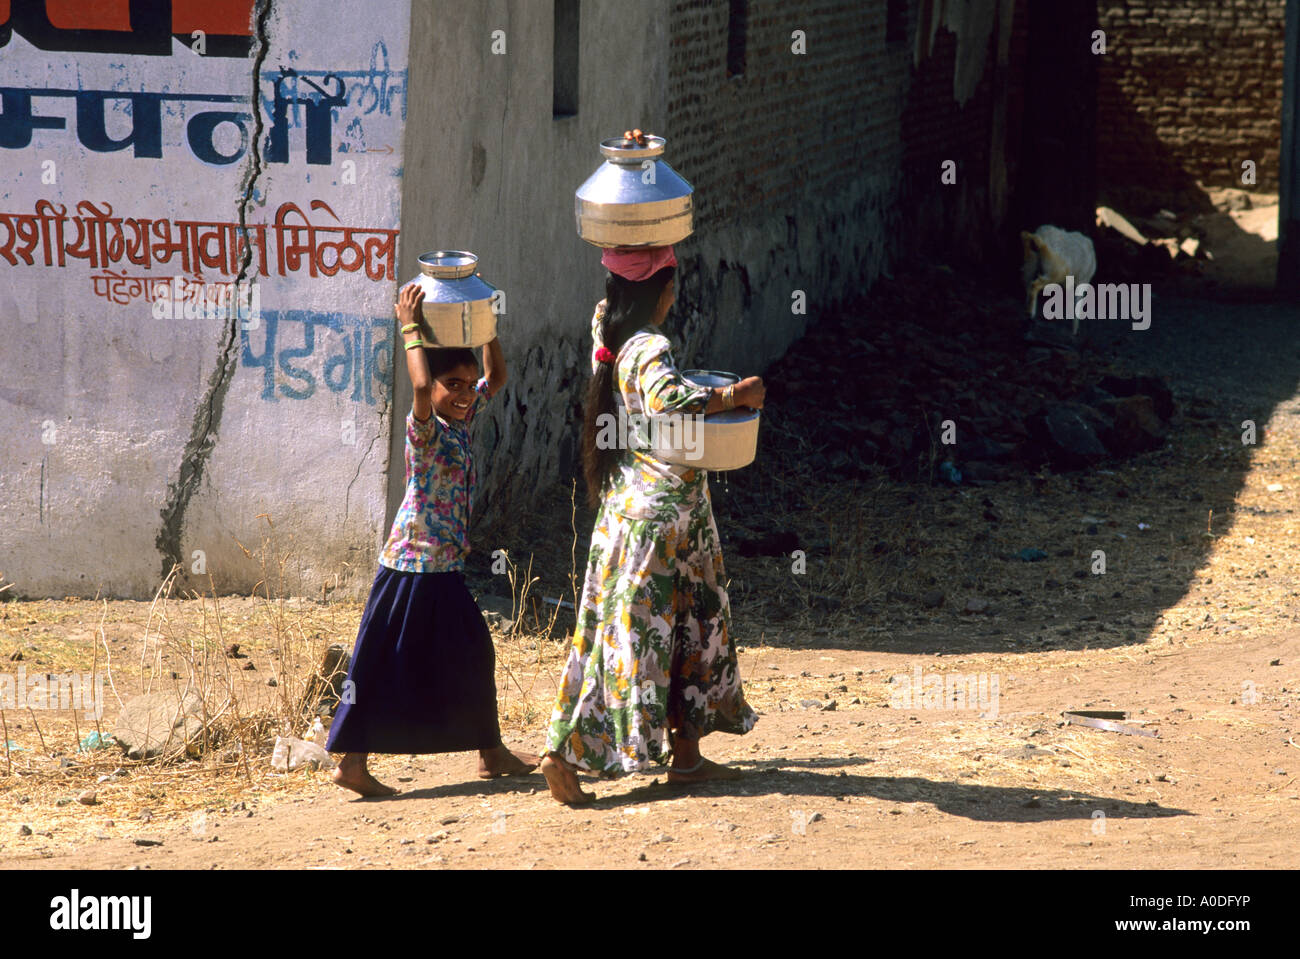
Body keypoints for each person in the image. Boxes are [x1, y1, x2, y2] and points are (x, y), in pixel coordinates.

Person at [539, 244, 765, 805]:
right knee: (639, 637)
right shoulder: (649, 345)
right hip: (664, 520)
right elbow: (668, 401)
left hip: (633, 511)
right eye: (670, 283)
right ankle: (563, 754)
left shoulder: (609, 332)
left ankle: (686, 760)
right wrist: (734, 395)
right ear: (659, 292)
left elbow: (611, 291)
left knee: (675, 625)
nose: (674, 294)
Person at [326, 281, 537, 796]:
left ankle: (490, 752)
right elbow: (420, 389)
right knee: (380, 661)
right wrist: (410, 327)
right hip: (410, 567)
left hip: (441, 569)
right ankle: (351, 763)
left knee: (473, 651)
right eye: (454, 384)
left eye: (468, 385)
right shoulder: (428, 429)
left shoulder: (462, 420)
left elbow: (497, 375)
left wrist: (485, 326)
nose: (465, 393)